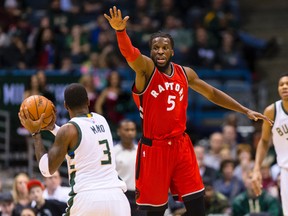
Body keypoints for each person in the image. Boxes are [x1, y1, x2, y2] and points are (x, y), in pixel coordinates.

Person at [104, 6, 272, 216]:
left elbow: (212, 93)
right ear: (151, 52)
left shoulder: (185, 73)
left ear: (172, 51)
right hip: (155, 148)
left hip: (181, 145)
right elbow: (130, 53)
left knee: (197, 203)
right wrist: (121, 32)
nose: (160, 51)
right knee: (155, 211)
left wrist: (244, 109)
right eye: (156, 48)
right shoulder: (146, 70)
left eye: (165, 47)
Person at [18, 83, 131, 216]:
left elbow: (47, 170)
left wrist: (35, 134)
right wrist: (53, 128)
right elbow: (81, 138)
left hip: (87, 198)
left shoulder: (68, 130)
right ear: (88, 101)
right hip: (117, 198)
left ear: (65, 105)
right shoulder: (101, 120)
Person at [251, 73, 288, 216]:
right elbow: (264, 141)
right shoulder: (271, 111)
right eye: (281, 84)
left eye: (287, 84)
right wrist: (256, 169)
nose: (284, 87)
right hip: (285, 171)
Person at [114, 119, 146, 216]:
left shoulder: (142, 151)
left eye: (132, 130)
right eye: (126, 130)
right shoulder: (113, 152)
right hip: (121, 196)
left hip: (139, 196)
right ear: (119, 131)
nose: (130, 133)